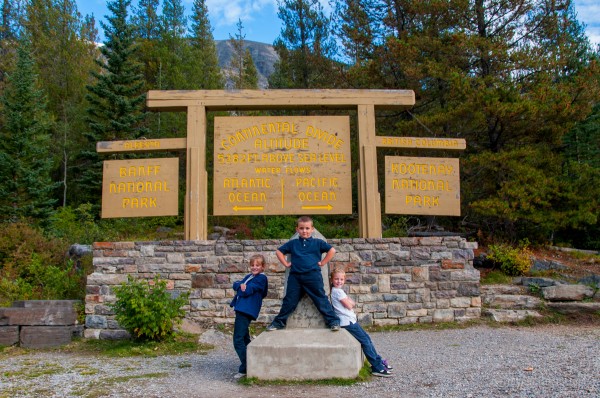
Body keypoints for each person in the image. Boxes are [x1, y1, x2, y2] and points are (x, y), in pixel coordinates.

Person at [266, 216, 341, 331]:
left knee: (321, 299)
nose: (304, 231)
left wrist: (323, 262)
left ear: (312, 229)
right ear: (297, 229)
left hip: (313, 277)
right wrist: (286, 264)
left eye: (307, 228)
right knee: (289, 301)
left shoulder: (318, 243)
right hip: (295, 277)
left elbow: (332, 250)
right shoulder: (293, 243)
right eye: (301, 228)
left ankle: (333, 322)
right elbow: (279, 252)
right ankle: (278, 323)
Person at [330, 268, 393, 377]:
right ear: (331, 280)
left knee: (367, 339)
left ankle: (378, 362)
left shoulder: (339, 291)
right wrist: (349, 301)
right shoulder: (337, 292)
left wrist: (349, 301)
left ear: (344, 280)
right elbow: (350, 305)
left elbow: (352, 303)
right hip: (347, 321)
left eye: (341, 279)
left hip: (350, 320)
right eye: (336, 279)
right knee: (365, 342)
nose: (339, 281)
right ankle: (376, 367)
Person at [230, 254, 269, 379]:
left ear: (263, 267)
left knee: (238, 339)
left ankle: (247, 366)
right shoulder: (249, 277)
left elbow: (247, 290)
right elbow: (236, 284)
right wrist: (240, 286)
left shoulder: (261, 279)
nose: (254, 267)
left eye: (257, 265)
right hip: (241, 309)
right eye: (252, 265)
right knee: (245, 339)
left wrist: (242, 288)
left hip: (246, 310)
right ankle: (252, 362)